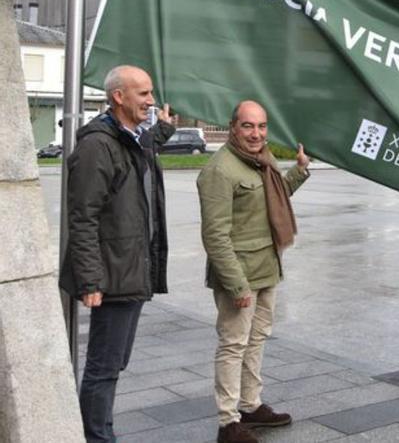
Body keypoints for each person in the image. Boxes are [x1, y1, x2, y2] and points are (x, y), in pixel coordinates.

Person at [59, 65, 174, 443]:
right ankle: (96, 437)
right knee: (103, 367)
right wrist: (90, 279)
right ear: (118, 97)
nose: (151, 100)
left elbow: (141, 151)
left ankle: (97, 429)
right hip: (111, 275)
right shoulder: (97, 146)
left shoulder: (131, 138)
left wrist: (164, 130)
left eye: (151, 92)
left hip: (132, 270)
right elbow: (83, 217)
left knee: (115, 362)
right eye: (142, 93)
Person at [197, 101, 310, 443]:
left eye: (261, 127)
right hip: (240, 277)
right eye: (248, 126)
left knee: (256, 340)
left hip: (267, 269)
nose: (256, 133)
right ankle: (228, 422)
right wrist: (237, 286)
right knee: (233, 344)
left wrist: (299, 171)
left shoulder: (262, 161)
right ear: (233, 127)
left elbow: (275, 198)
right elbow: (215, 236)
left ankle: (250, 405)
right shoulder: (220, 170)